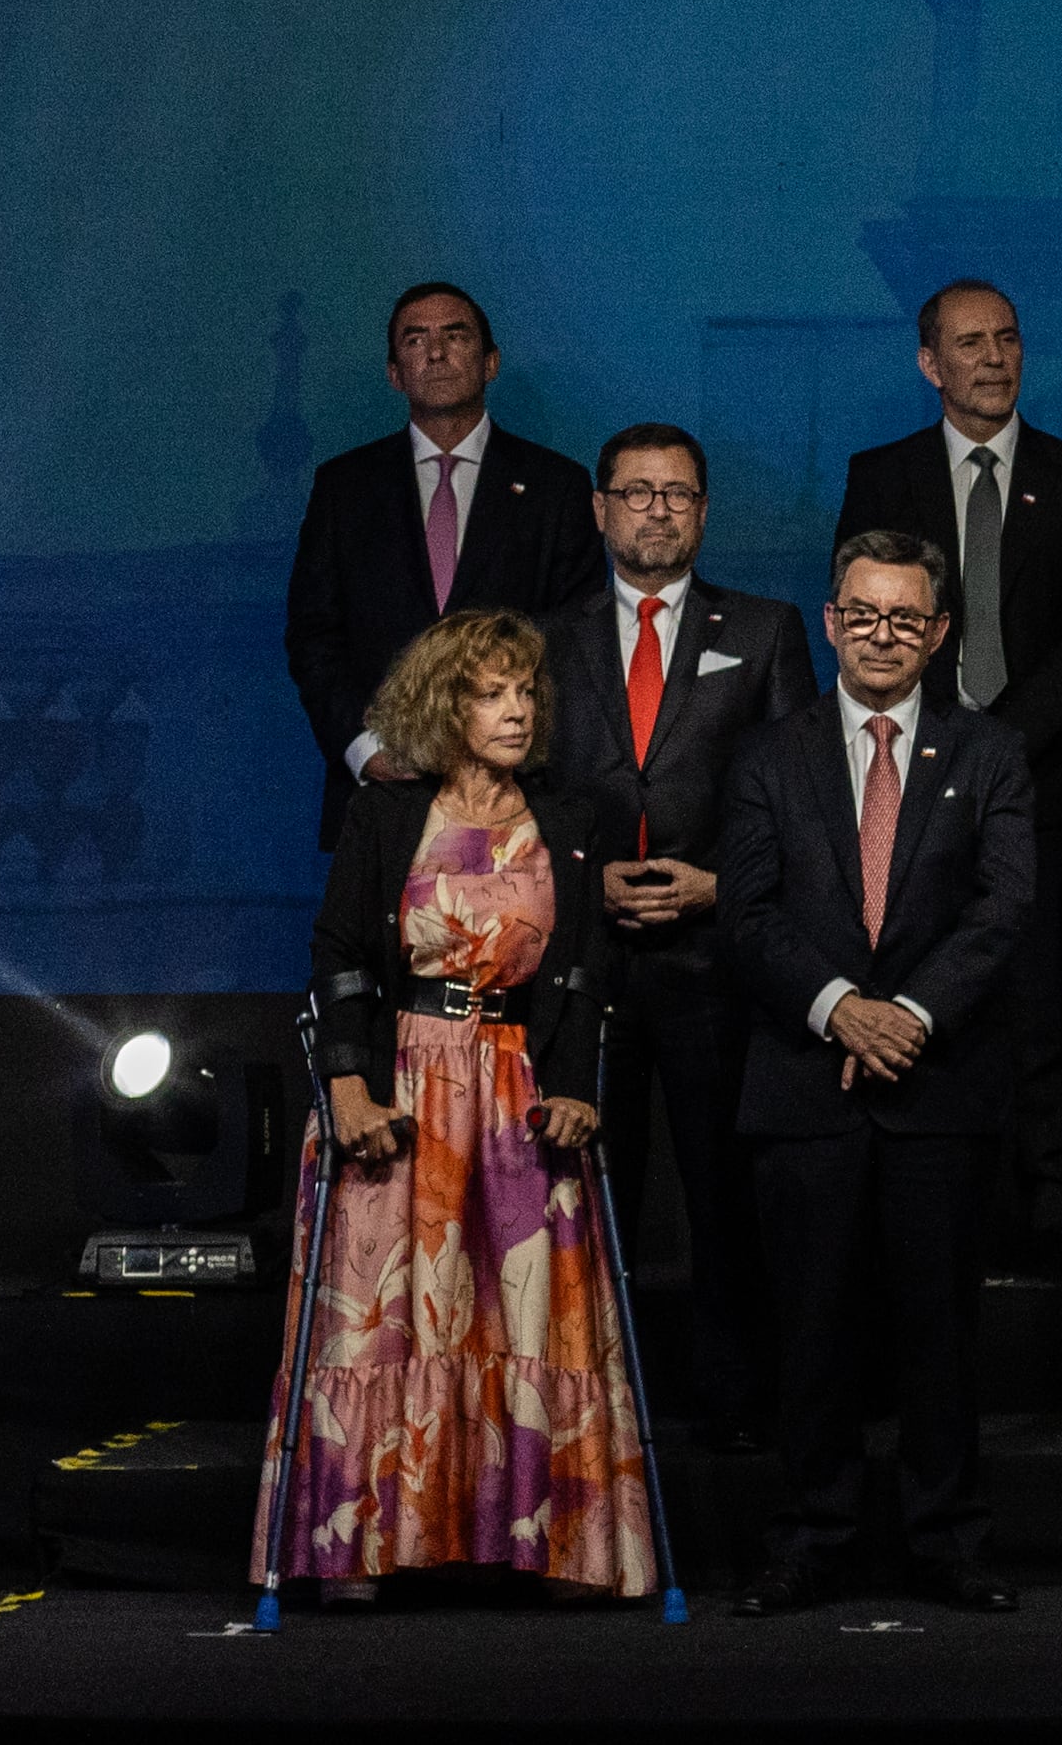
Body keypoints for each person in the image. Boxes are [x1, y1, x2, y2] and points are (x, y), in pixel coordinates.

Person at [258, 610, 653, 1603]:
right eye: (489, 692)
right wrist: (347, 1091)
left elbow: (585, 970)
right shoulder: (389, 813)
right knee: (386, 1322)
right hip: (403, 1086)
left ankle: (557, 1542)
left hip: (517, 1084)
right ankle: (361, 1546)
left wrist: (574, 1088)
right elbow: (340, 953)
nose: (516, 709)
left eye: (525, 690)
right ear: (445, 704)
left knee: (528, 1320)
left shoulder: (570, 816)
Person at [715, 533, 1040, 1616]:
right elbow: (747, 914)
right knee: (809, 1333)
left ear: (940, 631)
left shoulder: (989, 751)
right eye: (863, 615)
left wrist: (904, 1013)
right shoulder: (768, 755)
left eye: (905, 618)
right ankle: (810, 1538)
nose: (883, 635)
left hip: (938, 1088)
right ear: (830, 619)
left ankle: (948, 1540)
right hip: (804, 1089)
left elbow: (1003, 910)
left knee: (940, 1336)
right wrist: (837, 1010)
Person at [837, 280, 1062, 1281]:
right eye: (971, 343)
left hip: (1035, 785)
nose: (995, 357)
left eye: (1008, 337)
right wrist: (938, 754)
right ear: (931, 364)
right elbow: (866, 624)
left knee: (1040, 1009)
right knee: (921, 998)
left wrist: (986, 749)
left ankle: (1051, 1220)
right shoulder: (880, 474)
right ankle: (926, 1225)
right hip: (903, 792)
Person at [536, 424, 811, 1446]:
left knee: (725, 1208)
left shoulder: (768, 627)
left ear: (704, 511)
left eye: (679, 493)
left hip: (715, 965)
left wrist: (717, 887)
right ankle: (585, 1423)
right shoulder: (545, 637)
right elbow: (517, 793)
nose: (657, 508)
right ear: (601, 507)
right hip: (587, 967)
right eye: (637, 491)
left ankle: (742, 1424)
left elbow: (798, 794)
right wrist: (579, 881)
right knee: (581, 1209)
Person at [283, 280, 599, 852]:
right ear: (394, 373)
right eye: (415, 339)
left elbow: (573, 639)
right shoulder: (344, 488)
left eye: (455, 335)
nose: (435, 351)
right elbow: (314, 637)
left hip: (517, 798)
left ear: (491, 362)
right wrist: (364, 747)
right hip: (382, 800)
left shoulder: (557, 486)